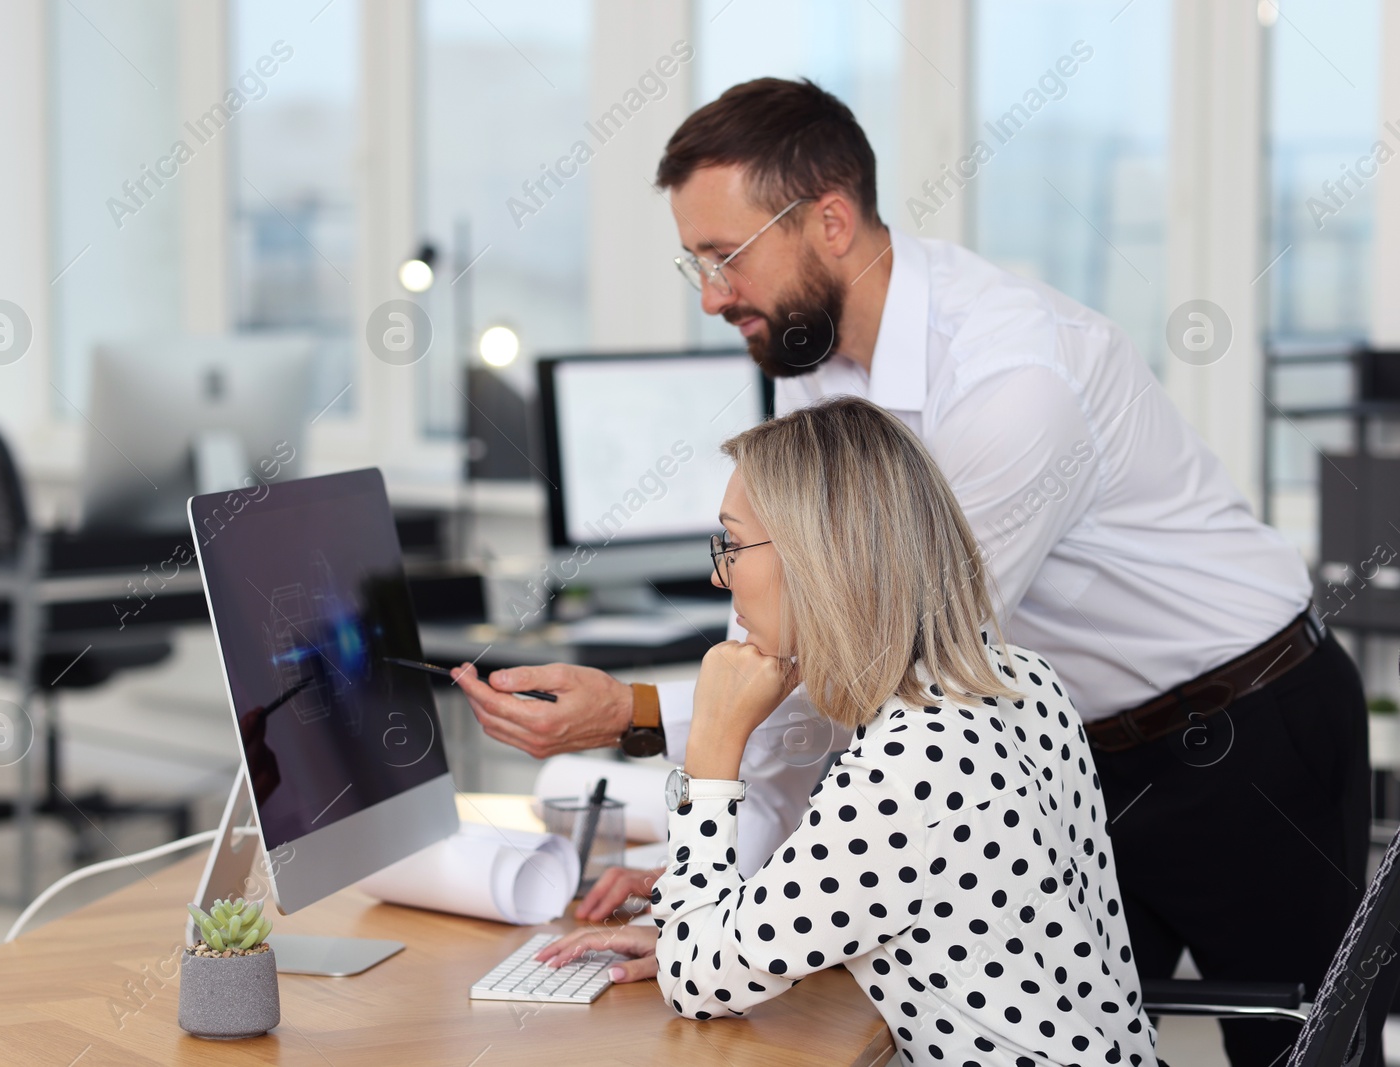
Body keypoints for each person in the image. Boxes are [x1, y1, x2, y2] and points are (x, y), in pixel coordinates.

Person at [454, 78, 1367, 1067]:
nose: (714, 296)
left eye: (725, 258)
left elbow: (855, 656)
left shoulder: (1011, 383)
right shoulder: (814, 360)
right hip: (1072, 739)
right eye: (695, 266)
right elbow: (784, 651)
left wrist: (660, 754)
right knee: (1048, 1022)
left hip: (1245, 722)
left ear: (831, 221)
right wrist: (711, 890)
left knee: (1300, 1046)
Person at [519, 397, 1157, 1065]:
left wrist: (713, 751)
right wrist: (710, 933)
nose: (718, 573)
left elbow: (696, 984)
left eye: (732, 544)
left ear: (813, 558)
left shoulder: (913, 760)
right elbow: (867, 896)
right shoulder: (1014, 676)